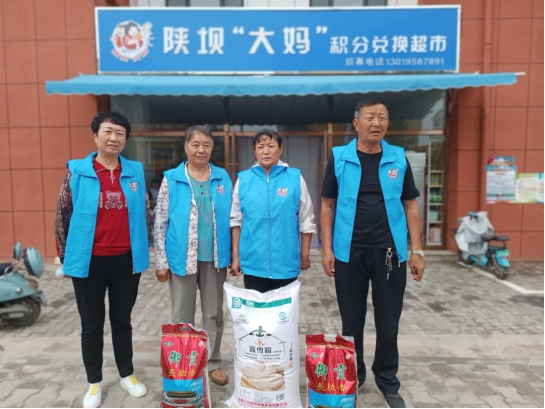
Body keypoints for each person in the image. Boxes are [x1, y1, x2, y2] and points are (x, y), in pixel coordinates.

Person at [320, 99, 426, 409]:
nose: (377, 123)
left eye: (382, 117)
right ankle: (354, 375)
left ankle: (387, 379)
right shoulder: (339, 157)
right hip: (348, 252)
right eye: (370, 117)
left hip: (390, 253)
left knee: (388, 320)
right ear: (356, 123)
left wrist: (417, 250)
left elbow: (410, 204)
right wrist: (326, 248)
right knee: (351, 321)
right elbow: (327, 204)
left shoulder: (398, 158)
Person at [54, 111, 149, 409]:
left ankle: (127, 374)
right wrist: (67, 258)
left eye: (120, 133)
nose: (114, 138)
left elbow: (144, 210)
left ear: (125, 139)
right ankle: (94, 382)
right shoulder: (78, 171)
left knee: (122, 321)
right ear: (95, 136)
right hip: (89, 262)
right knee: (91, 324)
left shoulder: (134, 171)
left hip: (125, 261)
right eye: (108, 131)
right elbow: (63, 213)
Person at [154, 125, 232, 386]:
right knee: (182, 315)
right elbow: (160, 221)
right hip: (181, 258)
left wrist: (234, 255)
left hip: (215, 258)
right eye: (195, 144)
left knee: (213, 314)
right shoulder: (172, 178)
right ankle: (184, 363)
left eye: (206, 145)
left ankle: (213, 363)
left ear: (212, 148)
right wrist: (161, 262)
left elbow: (234, 217)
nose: (201, 149)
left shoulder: (222, 177)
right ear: (186, 147)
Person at [230, 130, 316, 293]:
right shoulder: (244, 179)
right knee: (258, 308)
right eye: (260, 147)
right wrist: (236, 257)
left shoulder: (295, 178)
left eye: (271, 146)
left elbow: (306, 218)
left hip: (286, 261)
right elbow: (236, 221)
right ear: (254, 150)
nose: (266, 151)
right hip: (253, 262)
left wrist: (305, 254)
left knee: (285, 309)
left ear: (280, 149)